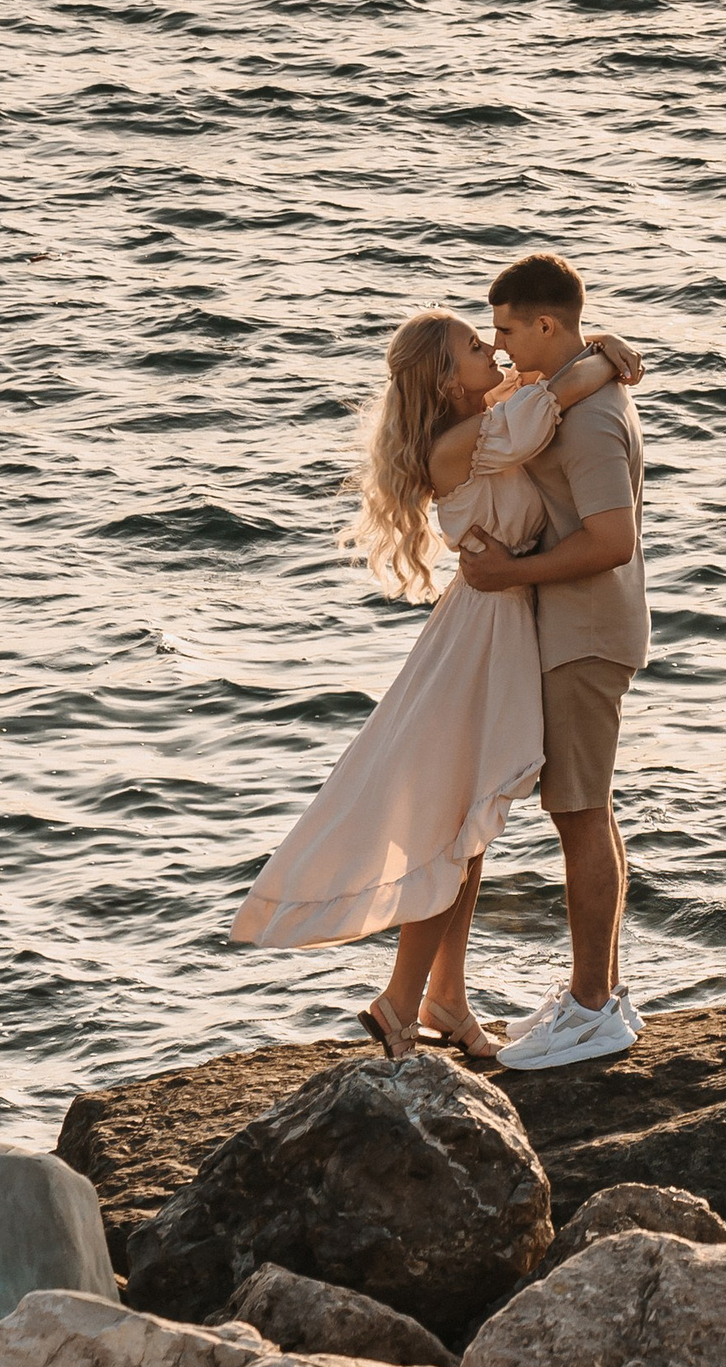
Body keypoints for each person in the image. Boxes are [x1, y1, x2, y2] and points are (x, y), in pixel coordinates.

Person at [228, 303, 640, 1063]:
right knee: (458, 824)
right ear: (448, 382)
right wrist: (606, 359)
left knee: (471, 824)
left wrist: (597, 349)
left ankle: (442, 997)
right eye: (476, 347)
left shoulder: (478, 420)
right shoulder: (464, 442)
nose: (494, 352)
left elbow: (537, 386)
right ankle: (400, 999)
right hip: (485, 632)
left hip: (495, 623)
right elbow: (548, 401)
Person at [455, 249, 650, 1072]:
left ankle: (595, 1007)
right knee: (587, 809)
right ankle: (597, 991)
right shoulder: (567, 389)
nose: (497, 347)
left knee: (578, 812)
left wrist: (508, 573)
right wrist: (600, 348)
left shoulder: (595, 415)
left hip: (585, 631)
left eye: (506, 330)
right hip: (572, 628)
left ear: (545, 324)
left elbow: (612, 540)